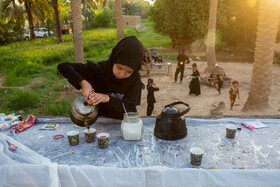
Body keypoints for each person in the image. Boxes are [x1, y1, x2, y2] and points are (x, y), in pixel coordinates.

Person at [57, 36, 144, 120]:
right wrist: (83, 83)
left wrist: (107, 98)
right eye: (119, 68)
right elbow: (64, 67)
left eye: (128, 72)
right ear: (114, 58)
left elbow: (130, 109)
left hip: (122, 123)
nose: (121, 74)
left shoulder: (135, 80)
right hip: (96, 121)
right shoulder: (99, 70)